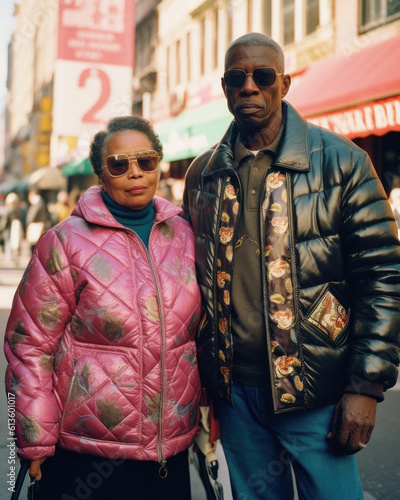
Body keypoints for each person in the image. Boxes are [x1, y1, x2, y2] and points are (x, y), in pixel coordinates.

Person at [182, 33, 400, 500]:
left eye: (262, 77)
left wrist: (366, 385)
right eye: (237, 79)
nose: (249, 88)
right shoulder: (203, 174)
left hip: (318, 392)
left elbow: (383, 278)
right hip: (236, 395)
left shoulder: (343, 162)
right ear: (224, 88)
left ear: (283, 84)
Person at [5, 116, 202, 499]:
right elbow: (28, 346)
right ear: (101, 172)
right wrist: (34, 438)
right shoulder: (63, 243)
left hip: (168, 452)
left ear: (159, 163)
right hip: (85, 453)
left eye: (146, 161)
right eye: (119, 164)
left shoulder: (185, 234)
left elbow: (198, 337)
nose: (135, 173)